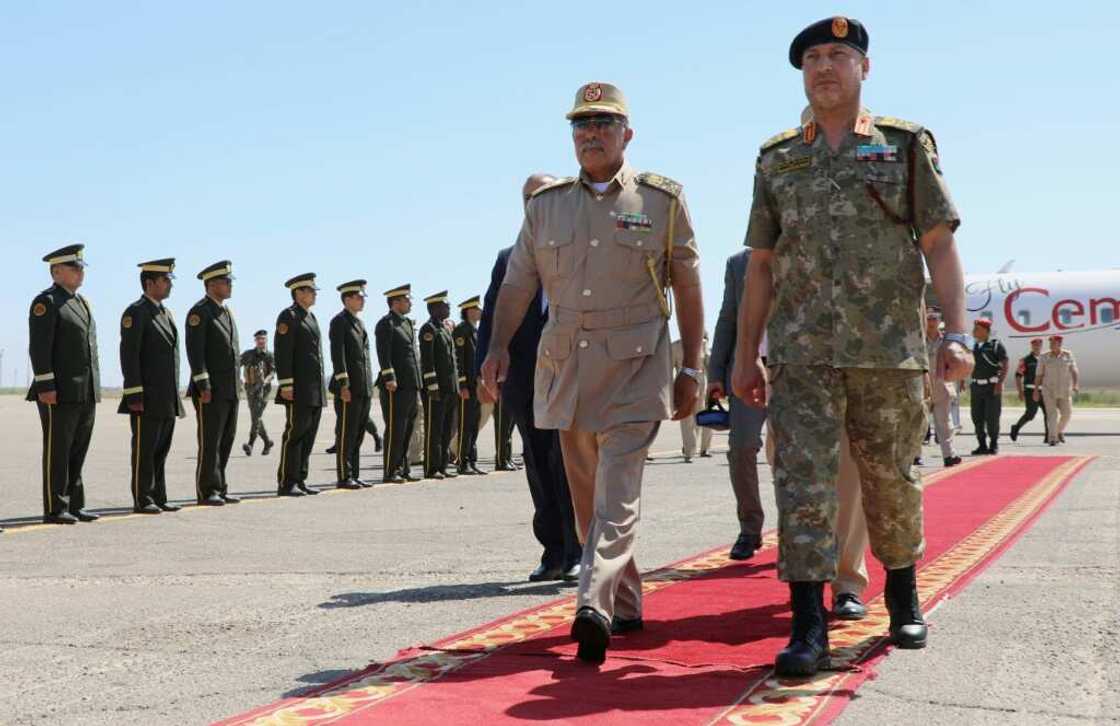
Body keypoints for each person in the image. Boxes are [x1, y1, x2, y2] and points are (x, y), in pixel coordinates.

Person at [732, 16, 973, 676]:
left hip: (887, 351)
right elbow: (760, 263)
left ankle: (902, 598)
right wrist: (743, 352)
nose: (824, 67)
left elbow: (940, 246)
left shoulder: (902, 145)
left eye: (838, 54)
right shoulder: (779, 157)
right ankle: (807, 625)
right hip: (801, 355)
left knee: (891, 480)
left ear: (865, 68)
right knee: (801, 485)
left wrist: (955, 332)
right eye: (812, 57)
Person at [482, 82, 705, 664]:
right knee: (588, 502)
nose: (591, 133)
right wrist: (497, 348)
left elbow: (687, 284)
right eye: (581, 125)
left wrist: (694, 367)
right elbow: (516, 286)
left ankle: (593, 603)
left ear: (627, 134)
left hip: (637, 367)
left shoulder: (662, 201)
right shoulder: (547, 205)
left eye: (604, 124)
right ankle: (627, 602)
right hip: (567, 370)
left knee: (616, 495)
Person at [477, 173, 582, 583]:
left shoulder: (576, 253)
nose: (532, 203)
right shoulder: (508, 258)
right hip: (523, 380)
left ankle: (577, 549)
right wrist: (486, 365)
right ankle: (552, 550)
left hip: (569, 376)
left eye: (541, 196)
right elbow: (490, 317)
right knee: (537, 463)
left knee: (569, 462)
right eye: (527, 197)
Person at [27, 243, 101, 525]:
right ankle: (55, 506)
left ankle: (75, 503)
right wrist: (46, 385)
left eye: (81, 267)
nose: (80, 272)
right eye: (74, 267)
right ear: (56, 271)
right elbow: (39, 347)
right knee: (58, 450)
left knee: (77, 449)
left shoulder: (81, 303)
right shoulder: (46, 302)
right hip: (58, 391)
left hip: (84, 390)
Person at [707, 249, 767, 560]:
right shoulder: (738, 263)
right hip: (745, 369)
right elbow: (727, 316)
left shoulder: (804, 247)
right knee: (742, 447)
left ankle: (800, 534)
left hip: (794, 369)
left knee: (795, 454)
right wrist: (715, 372)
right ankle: (749, 528)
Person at [119, 258, 184, 514]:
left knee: (161, 449)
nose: (169, 285)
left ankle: (159, 495)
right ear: (150, 283)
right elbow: (130, 354)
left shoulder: (165, 313)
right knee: (144, 449)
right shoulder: (136, 312)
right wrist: (134, 392)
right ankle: (143, 497)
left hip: (166, 396)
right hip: (145, 395)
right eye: (165, 280)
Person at [185, 260, 242, 506]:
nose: (230, 286)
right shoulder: (200, 312)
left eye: (230, 281)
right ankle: (207, 490)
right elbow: (195, 352)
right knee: (210, 441)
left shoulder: (225, 312)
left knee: (226, 439)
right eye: (225, 282)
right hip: (211, 390)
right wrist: (203, 384)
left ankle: (220, 486)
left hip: (230, 388)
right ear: (210, 285)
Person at [274, 273, 327, 496]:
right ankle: (287, 482)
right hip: (298, 388)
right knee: (295, 435)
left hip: (313, 388)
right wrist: (286, 384)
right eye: (311, 291)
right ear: (299, 292)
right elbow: (283, 352)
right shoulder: (289, 316)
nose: (314, 294)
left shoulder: (310, 317)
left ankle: (301, 478)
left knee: (309, 435)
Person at [329, 279, 376, 489]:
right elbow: (337, 355)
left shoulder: (359, 323)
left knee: (357, 433)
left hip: (363, 386)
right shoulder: (340, 321)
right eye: (358, 297)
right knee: (347, 433)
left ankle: (354, 473)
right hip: (349, 387)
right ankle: (344, 475)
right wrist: (343, 384)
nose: (362, 301)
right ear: (347, 299)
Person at [375, 285, 423, 483]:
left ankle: (404, 468)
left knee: (408, 429)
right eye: (407, 299)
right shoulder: (386, 324)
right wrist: (389, 377)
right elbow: (383, 354)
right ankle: (390, 470)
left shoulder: (406, 324)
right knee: (396, 428)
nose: (410, 302)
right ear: (395, 302)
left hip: (411, 384)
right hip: (396, 386)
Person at [419, 291, 459, 479]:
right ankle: (431, 467)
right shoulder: (429, 329)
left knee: (446, 429)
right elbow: (428, 361)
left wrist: (456, 387)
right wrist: (432, 386)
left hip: (450, 388)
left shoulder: (444, 328)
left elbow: (452, 361)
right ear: (434, 308)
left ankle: (442, 466)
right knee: (434, 429)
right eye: (445, 305)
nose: (449, 307)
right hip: (437, 389)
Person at [453, 295, 486, 475]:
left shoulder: (475, 331)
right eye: (478, 309)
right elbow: (458, 360)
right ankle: (462, 462)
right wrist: (462, 385)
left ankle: (472, 460)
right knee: (465, 426)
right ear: (470, 311)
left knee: (474, 424)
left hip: (477, 385)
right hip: (467, 386)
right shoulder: (461, 331)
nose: (481, 312)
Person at [925, 308, 962, 467]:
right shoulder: (918, 339)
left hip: (942, 385)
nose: (931, 321)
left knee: (944, 423)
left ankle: (949, 455)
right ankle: (914, 456)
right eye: (929, 318)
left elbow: (957, 361)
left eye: (934, 318)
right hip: (922, 385)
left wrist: (959, 379)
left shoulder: (946, 341)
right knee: (919, 423)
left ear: (940, 321)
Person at [969, 318, 1008, 454]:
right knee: (977, 417)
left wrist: (1000, 383)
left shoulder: (995, 345)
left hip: (992, 386)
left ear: (985, 331)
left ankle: (993, 444)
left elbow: (1005, 364)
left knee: (992, 418)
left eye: (977, 329)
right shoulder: (972, 346)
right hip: (976, 386)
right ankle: (982, 445)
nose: (974, 331)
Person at [1035, 334, 1079, 446]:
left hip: (1064, 390)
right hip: (1048, 390)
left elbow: (1074, 370)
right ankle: (1053, 438)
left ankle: (1058, 431)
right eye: (1050, 343)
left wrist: (1076, 384)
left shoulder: (1068, 355)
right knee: (1052, 414)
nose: (1051, 345)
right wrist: (1036, 390)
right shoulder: (1044, 357)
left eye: (1053, 343)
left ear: (1060, 344)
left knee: (1067, 414)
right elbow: (1039, 375)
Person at [674, 334, 712, 462]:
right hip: (683, 380)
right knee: (686, 416)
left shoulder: (703, 343)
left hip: (701, 381)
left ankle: (705, 448)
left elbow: (709, 363)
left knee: (704, 414)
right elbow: (670, 367)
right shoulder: (675, 346)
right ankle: (689, 451)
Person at [241, 330, 276, 456]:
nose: (261, 341)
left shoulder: (270, 356)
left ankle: (250, 444)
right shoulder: (248, 354)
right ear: (255, 341)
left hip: (263, 391)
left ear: (266, 340)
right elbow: (236, 365)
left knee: (256, 417)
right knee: (256, 417)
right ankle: (267, 442)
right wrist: (238, 379)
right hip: (250, 389)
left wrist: (265, 381)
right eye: (259, 339)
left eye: (263, 339)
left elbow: (272, 373)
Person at [1010, 337, 1049, 443]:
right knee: (1031, 414)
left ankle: (1048, 436)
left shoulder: (1045, 359)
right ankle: (1016, 427)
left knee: (1048, 413)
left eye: (1039, 345)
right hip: (1030, 390)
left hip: (1044, 391)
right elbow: (1018, 375)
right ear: (1032, 346)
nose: (1037, 347)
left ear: (1041, 346)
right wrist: (1020, 391)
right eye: (1035, 345)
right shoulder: (1026, 360)